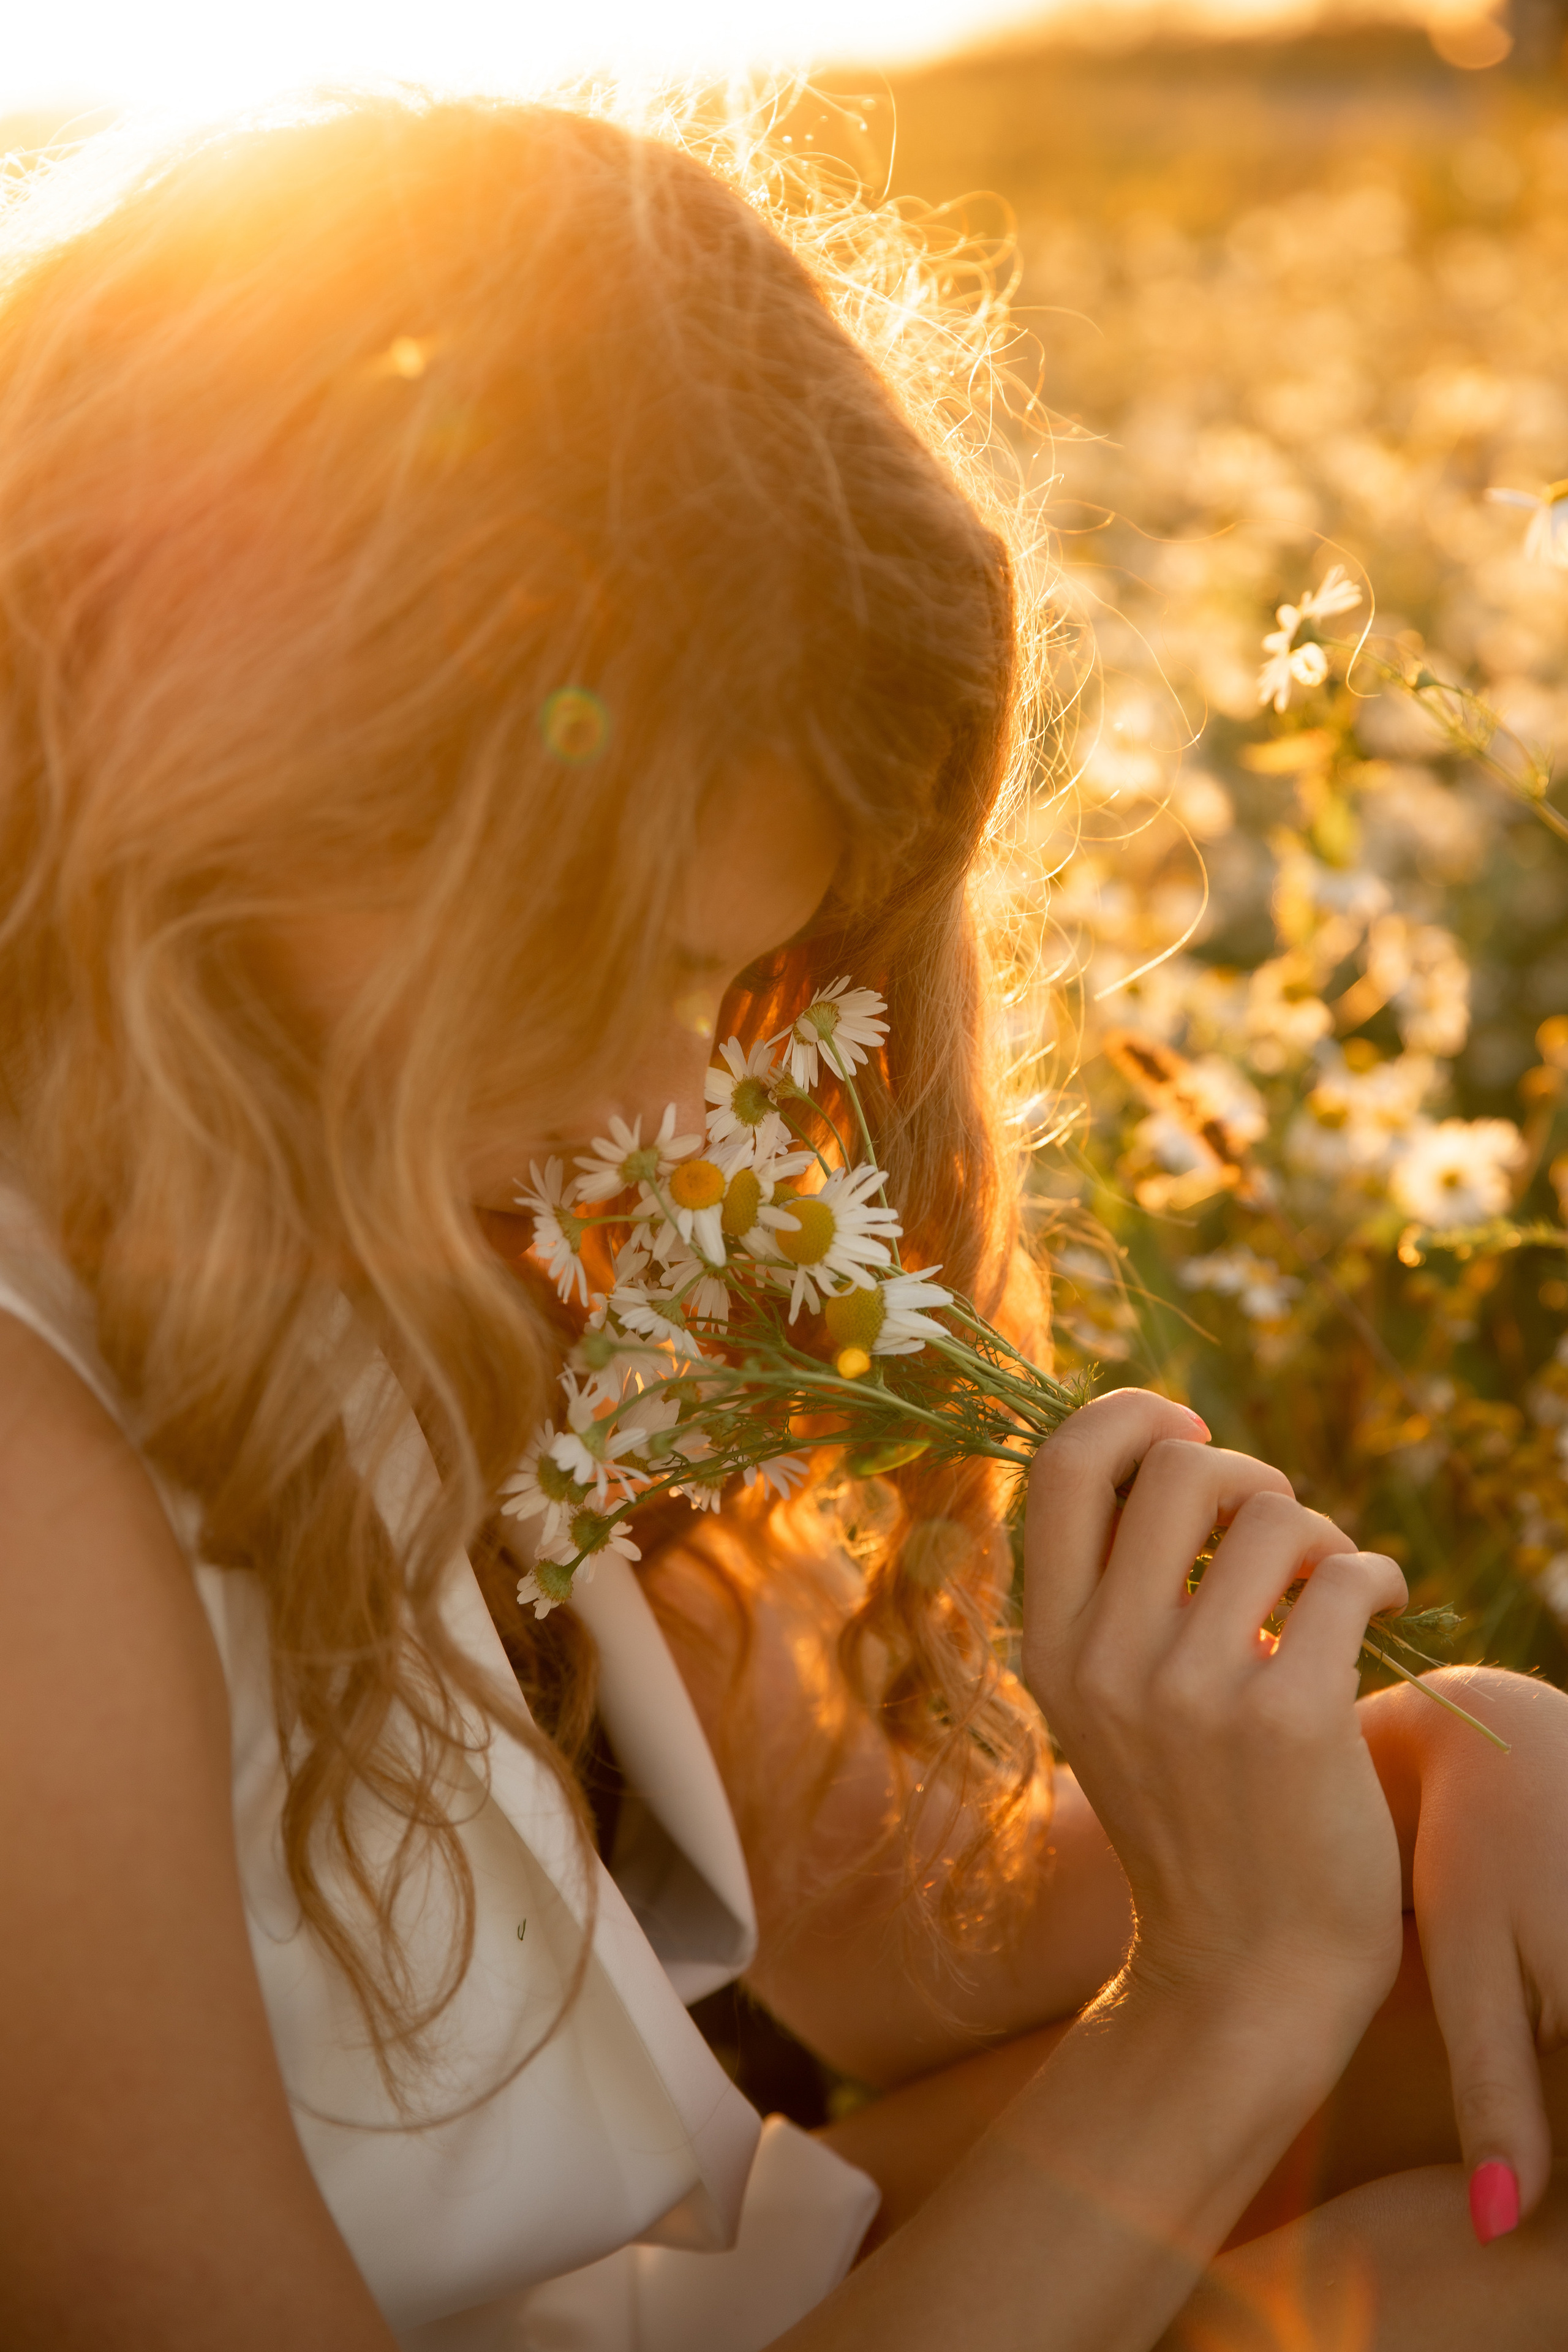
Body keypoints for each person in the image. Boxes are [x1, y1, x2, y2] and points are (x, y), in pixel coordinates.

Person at [0, 91, 1564, 2352]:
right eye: (610, 965)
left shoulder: (379, 1237)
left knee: (1507, 2075)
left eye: (726, 984)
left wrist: (1440, 1767)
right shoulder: (34, 1488)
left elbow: (913, 1923)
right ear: (242, 768)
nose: (680, 1103)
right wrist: (1227, 2008)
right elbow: (1154, 1991)